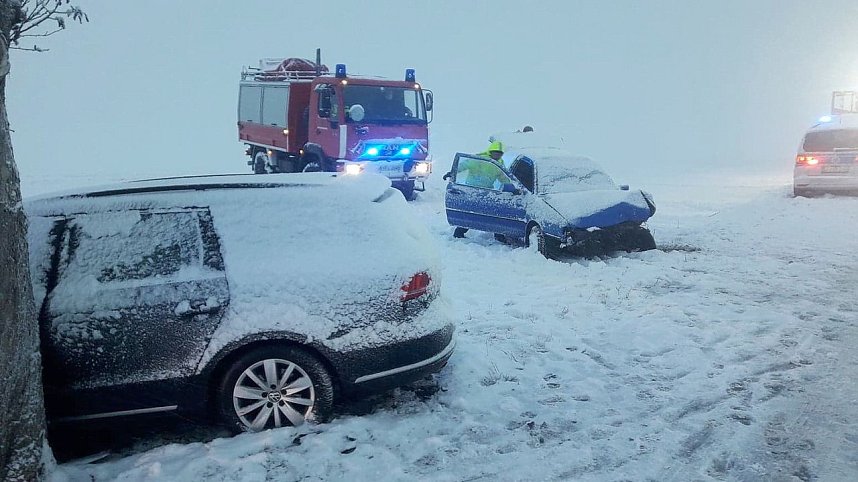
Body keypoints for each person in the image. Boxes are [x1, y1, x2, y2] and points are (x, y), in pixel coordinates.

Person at [453, 141, 509, 239]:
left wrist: (511, 186)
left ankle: (499, 235)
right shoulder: (479, 159)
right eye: (496, 152)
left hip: (488, 191)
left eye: (500, 153)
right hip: (472, 190)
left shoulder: (499, 163)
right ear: (490, 151)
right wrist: (452, 172)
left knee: (493, 214)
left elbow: (503, 178)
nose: (497, 155)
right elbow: (463, 165)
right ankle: (459, 232)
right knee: (471, 213)